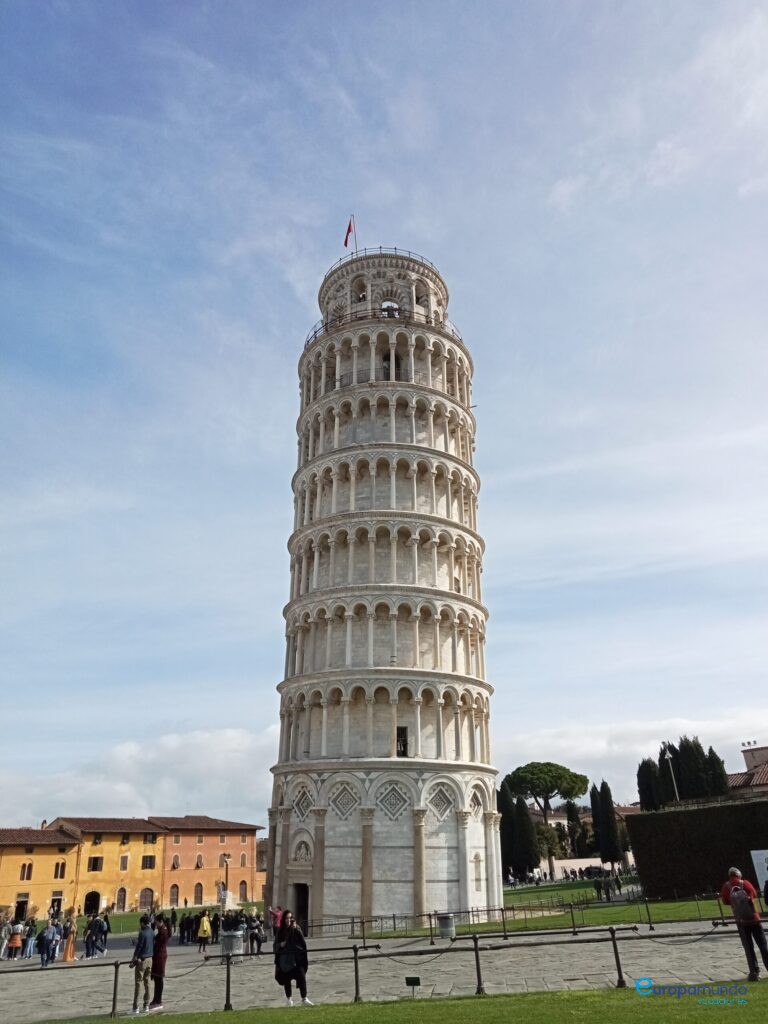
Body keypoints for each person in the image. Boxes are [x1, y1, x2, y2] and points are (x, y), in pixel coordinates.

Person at [721, 867, 768, 982]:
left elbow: (725, 901)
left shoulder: (726, 887)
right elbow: (754, 894)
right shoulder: (745, 883)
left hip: (741, 922)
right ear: (739, 874)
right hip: (754, 919)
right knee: (763, 945)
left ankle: (754, 973)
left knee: (748, 947)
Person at [273, 909, 312, 1006]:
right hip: (286, 960)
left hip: (297, 958)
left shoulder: (297, 928)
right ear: (284, 919)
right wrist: (281, 945)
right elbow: (275, 946)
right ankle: (289, 999)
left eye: (290, 918)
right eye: (286, 918)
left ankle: (304, 999)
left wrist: (297, 930)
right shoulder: (281, 931)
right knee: (286, 979)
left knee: (302, 977)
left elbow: (302, 942)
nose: (288, 920)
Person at [130, 914, 155, 1014]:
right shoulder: (152, 932)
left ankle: (136, 1007)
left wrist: (134, 959)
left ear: (142, 923)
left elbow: (139, 947)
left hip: (142, 960)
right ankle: (146, 1005)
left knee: (138, 983)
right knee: (147, 983)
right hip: (150, 959)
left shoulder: (142, 933)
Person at [149, 913, 169, 1012]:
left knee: (159, 979)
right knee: (157, 979)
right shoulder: (162, 930)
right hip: (158, 956)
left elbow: (157, 945)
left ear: (161, 922)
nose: (155, 924)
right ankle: (155, 999)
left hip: (160, 957)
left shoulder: (163, 932)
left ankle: (159, 1000)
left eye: (156, 922)